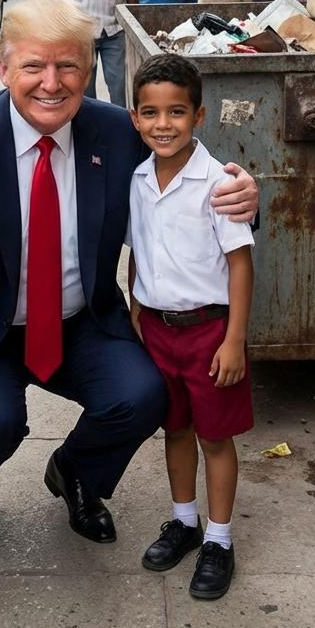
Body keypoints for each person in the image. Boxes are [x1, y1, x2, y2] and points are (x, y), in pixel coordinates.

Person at [0, 0, 259, 568]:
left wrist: (244, 196)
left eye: (69, 67)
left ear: (88, 73)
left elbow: (187, 165)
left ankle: (77, 474)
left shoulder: (116, 130)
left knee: (144, 394)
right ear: (3, 65)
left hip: (81, 321)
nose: (51, 83)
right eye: (35, 66)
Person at [127, 54, 254, 600]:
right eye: (151, 113)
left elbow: (240, 264)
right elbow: (138, 254)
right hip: (157, 329)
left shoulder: (218, 182)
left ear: (199, 116)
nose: (163, 124)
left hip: (209, 332)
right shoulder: (136, 178)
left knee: (214, 436)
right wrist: (136, 313)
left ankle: (219, 540)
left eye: (176, 112)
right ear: (135, 117)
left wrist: (234, 340)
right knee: (174, 428)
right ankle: (184, 520)